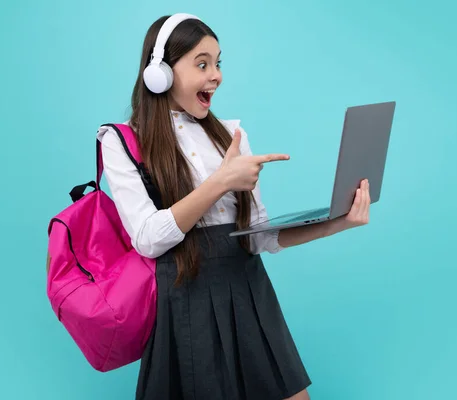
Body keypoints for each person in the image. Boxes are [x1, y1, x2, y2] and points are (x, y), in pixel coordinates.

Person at [96, 13, 371, 400]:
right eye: (202, 63)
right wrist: (221, 182)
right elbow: (147, 239)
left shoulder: (231, 135)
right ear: (160, 73)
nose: (216, 76)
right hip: (185, 302)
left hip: (249, 292)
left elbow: (260, 237)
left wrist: (338, 221)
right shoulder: (122, 142)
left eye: (218, 63)